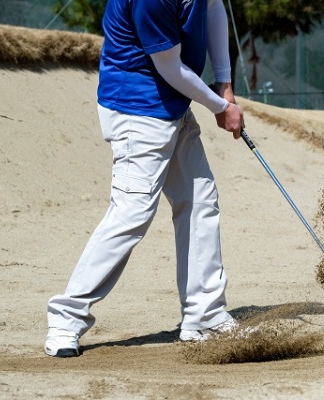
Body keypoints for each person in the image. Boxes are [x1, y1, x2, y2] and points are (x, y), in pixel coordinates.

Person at [44, 0, 245, 357]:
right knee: (132, 213)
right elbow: (169, 66)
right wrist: (220, 107)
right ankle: (66, 319)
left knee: (199, 200)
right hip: (137, 109)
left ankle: (205, 316)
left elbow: (214, 7)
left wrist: (225, 83)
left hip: (173, 106)